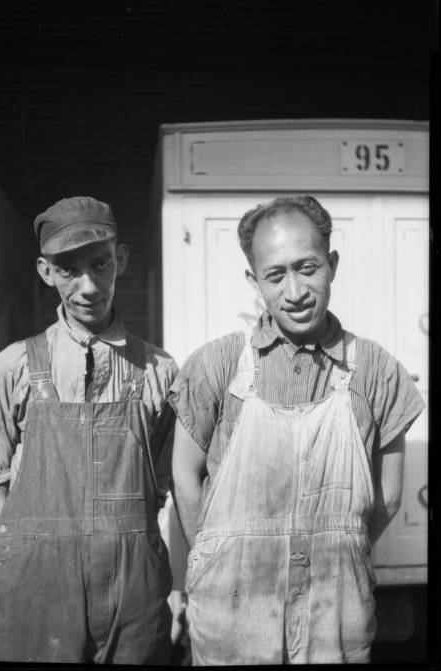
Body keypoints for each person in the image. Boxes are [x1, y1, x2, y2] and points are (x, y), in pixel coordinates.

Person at [169, 195, 425, 665]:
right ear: (254, 281)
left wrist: (336, 545)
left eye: (307, 268)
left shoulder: (377, 371)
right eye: (275, 274)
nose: (295, 291)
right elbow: (184, 475)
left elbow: (388, 495)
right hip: (231, 602)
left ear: (332, 264)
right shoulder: (217, 365)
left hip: (336, 604)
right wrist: (213, 553)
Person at [0, 196, 177, 664]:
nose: (87, 286)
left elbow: (160, 488)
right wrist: (33, 554)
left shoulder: (159, 371)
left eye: (100, 264)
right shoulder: (13, 367)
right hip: (36, 592)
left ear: (120, 259)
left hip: (132, 595)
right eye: (67, 270)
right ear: (45, 272)